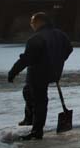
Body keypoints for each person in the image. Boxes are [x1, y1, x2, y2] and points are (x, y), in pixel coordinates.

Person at [8, 12, 72, 141]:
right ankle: (29, 118)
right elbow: (69, 48)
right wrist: (58, 60)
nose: (31, 25)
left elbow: (27, 59)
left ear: (39, 22)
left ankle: (37, 131)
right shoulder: (60, 34)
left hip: (38, 73)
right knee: (27, 91)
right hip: (54, 71)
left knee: (40, 100)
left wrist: (13, 72)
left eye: (32, 22)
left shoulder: (36, 38)